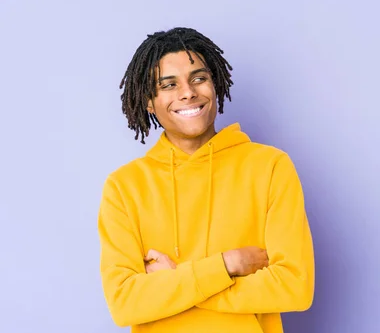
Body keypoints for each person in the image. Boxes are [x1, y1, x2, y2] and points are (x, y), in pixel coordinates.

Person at [97, 27, 315, 333]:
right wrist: (226, 265)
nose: (188, 92)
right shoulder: (124, 187)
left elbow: (294, 286)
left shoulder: (270, 167)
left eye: (199, 78)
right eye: (169, 85)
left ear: (215, 84)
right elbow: (124, 303)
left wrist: (176, 281)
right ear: (149, 101)